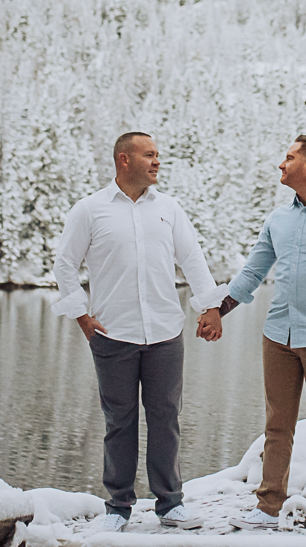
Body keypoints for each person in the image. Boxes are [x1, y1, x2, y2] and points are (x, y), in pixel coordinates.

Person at [53, 132, 227, 532]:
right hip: (112, 334)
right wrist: (82, 317)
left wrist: (211, 308)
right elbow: (65, 265)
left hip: (166, 332)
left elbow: (193, 259)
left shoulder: (169, 208)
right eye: (149, 155)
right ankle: (118, 507)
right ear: (123, 159)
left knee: (166, 417)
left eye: (158, 155)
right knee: (120, 421)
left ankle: (170, 505)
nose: (156, 162)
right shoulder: (90, 210)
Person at [202, 136, 306, 536]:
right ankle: (266, 508)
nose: (282, 164)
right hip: (278, 335)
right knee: (277, 426)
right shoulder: (278, 219)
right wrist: (218, 309)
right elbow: (251, 273)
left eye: (290, 158)